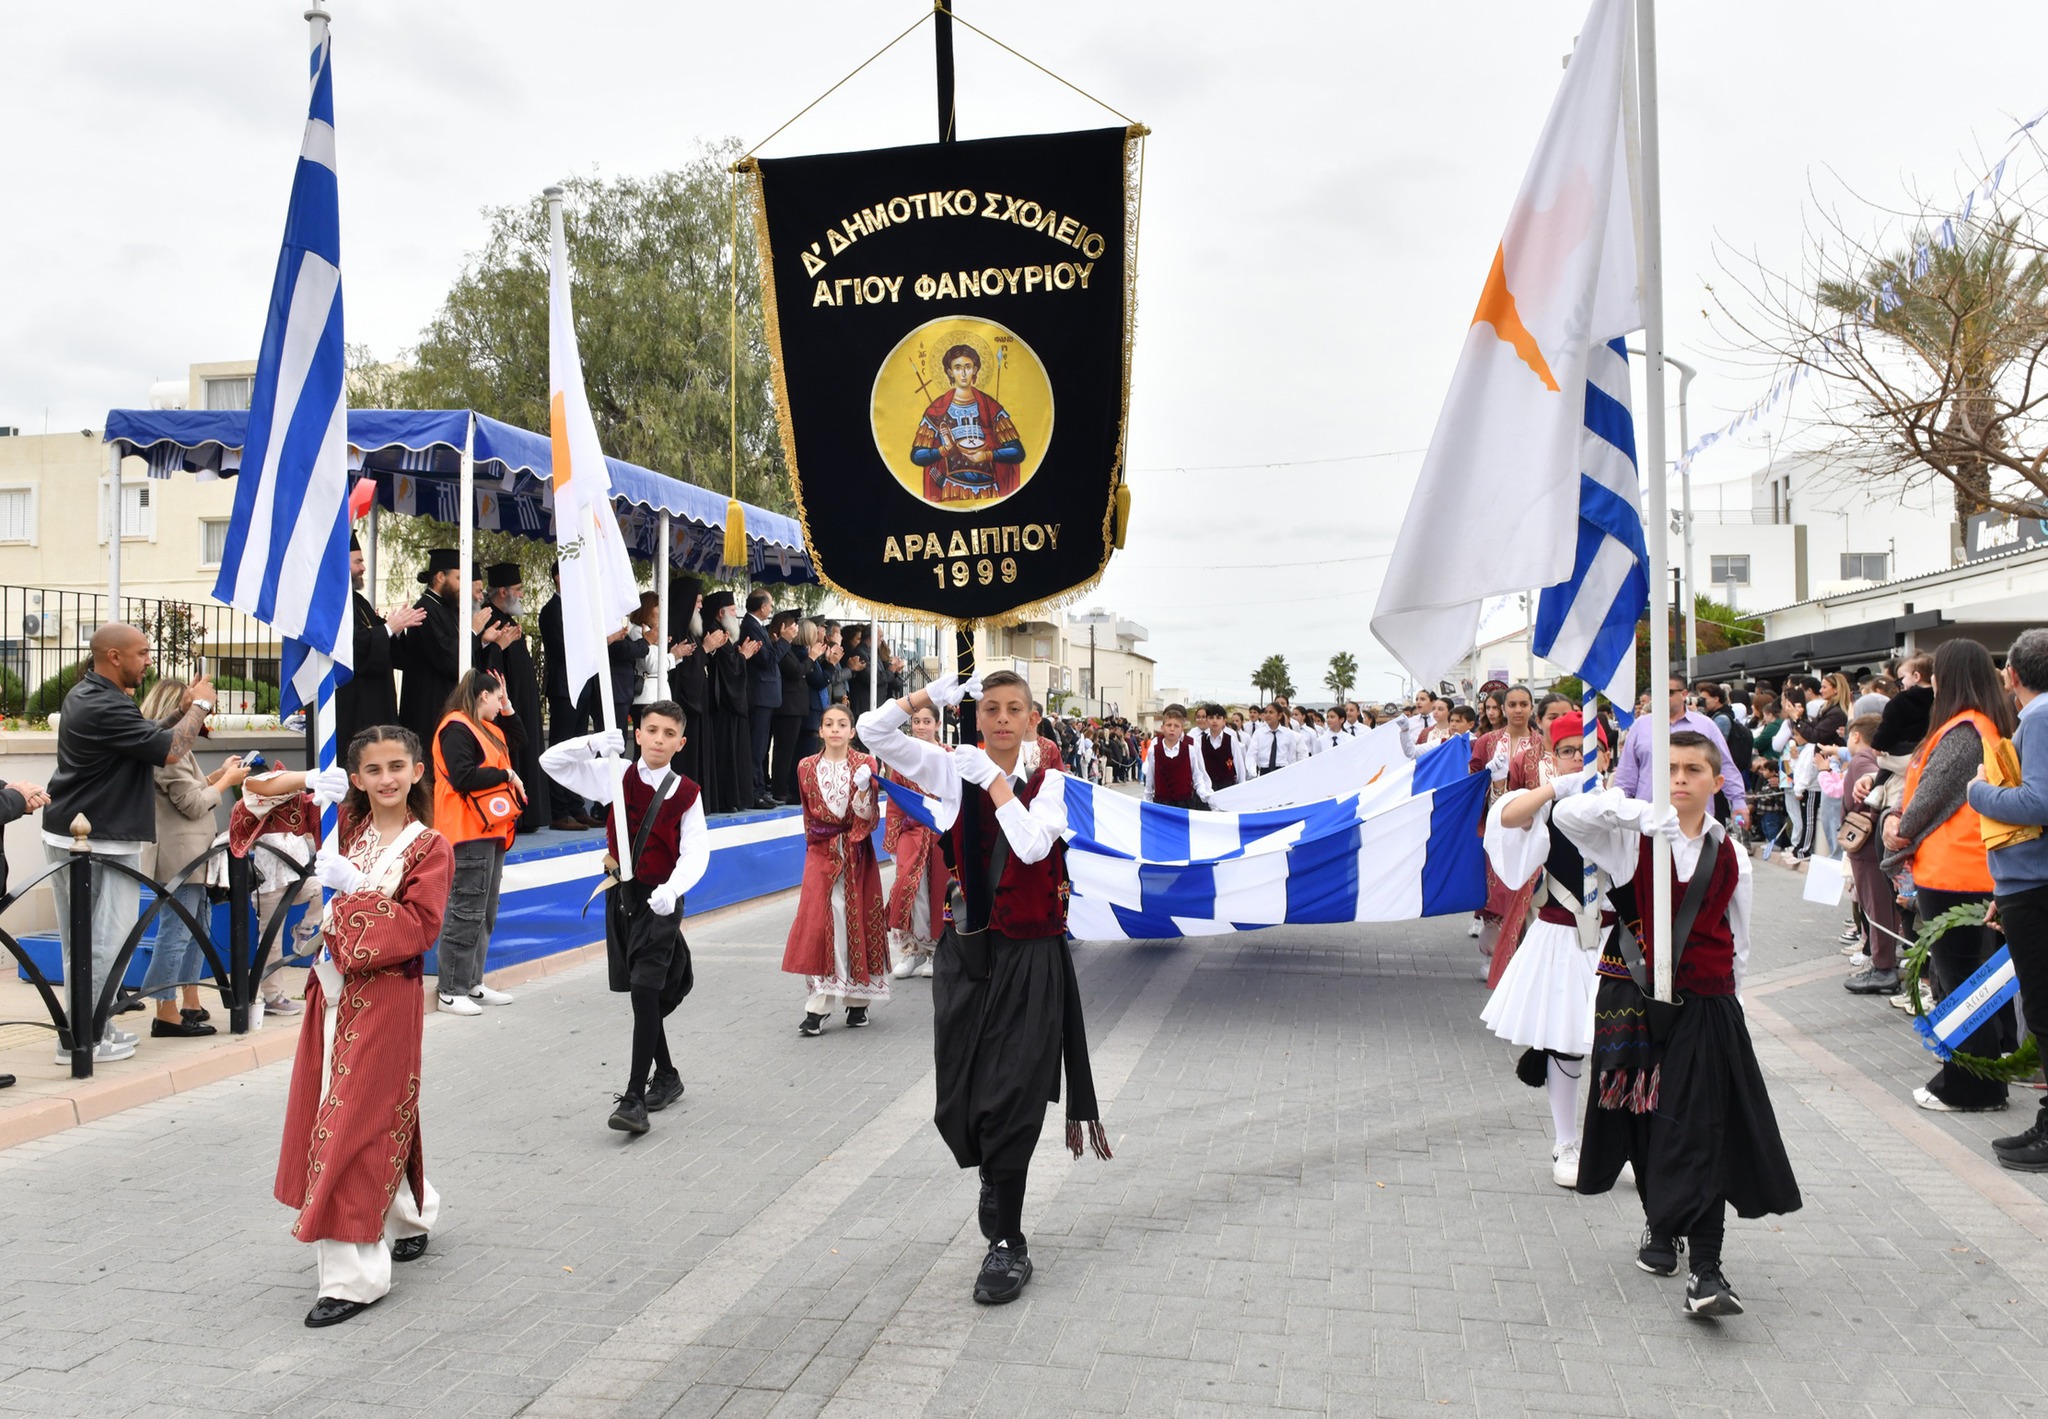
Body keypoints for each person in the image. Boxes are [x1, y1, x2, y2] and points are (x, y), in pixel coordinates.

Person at [859, 670, 1108, 1306]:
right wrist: (926, 697)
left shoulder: (1052, 783)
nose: (1000, 718)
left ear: (1031, 720)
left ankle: (1008, 1242)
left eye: (1013, 709)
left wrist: (992, 782)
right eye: (990, 708)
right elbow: (872, 732)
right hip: (969, 958)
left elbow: (1030, 847)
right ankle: (994, 1176)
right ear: (976, 718)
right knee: (966, 1095)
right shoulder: (952, 770)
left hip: (1031, 959)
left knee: (1013, 1096)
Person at [1556, 731, 1801, 1318]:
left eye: (1694, 769)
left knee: (1703, 1125)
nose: (1682, 778)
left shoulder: (1733, 852)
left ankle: (1707, 1270)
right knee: (1647, 1120)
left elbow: (1740, 937)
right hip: (1637, 999)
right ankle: (1661, 1225)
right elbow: (1567, 816)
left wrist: (1730, 1007)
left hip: (1708, 1005)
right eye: (1671, 769)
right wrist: (1638, 812)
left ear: (1717, 781)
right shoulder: (1631, 839)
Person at [276, 726, 453, 1329]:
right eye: (372, 770)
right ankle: (411, 1211)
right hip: (329, 996)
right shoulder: (342, 827)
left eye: (396, 766)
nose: (386, 779)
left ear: (417, 770)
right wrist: (306, 781)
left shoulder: (430, 847)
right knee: (372, 1107)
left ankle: (353, 1278)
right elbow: (252, 807)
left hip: (385, 997)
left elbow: (418, 929)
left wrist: (355, 890)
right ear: (356, 778)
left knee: (349, 1123)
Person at [43, 623, 214, 1063]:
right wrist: (199, 707)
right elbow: (171, 750)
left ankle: (91, 1028)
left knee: (87, 943)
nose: (149, 661)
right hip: (96, 841)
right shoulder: (103, 704)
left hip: (87, 834)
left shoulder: (95, 695)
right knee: (103, 942)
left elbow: (148, 738)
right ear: (114, 656)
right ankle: (84, 1041)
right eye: (142, 653)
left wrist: (180, 712)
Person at [540, 703, 709, 1136]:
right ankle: (666, 1075)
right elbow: (551, 762)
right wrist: (592, 743)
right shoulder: (613, 775)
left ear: (680, 743)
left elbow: (696, 852)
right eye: (651, 730)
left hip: (661, 901)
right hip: (621, 899)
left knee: (647, 988)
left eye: (668, 733)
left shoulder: (687, 792)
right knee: (641, 992)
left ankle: (634, 1098)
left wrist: (672, 890)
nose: (658, 739)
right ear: (638, 734)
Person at [1880, 638, 2017, 1113]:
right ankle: (1981, 1080)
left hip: (1955, 873)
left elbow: (1928, 798)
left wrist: (1897, 830)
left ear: (1950, 677)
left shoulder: (1964, 731)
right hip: (1969, 870)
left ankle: (1970, 1087)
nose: (1932, 680)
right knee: (1972, 983)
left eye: (1937, 672)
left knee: (1961, 985)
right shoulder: (1983, 725)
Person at [1481, 713, 1612, 1189]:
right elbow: (1507, 817)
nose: (1579, 758)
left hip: (1618, 939)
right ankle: (1566, 1142)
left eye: (1588, 750)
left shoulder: (1623, 800)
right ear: (1554, 758)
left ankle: (1618, 1144)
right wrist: (1557, 787)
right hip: (1563, 935)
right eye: (1568, 751)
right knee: (1565, 1040)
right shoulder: (1547, 803)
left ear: (1606, 755)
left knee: (1620, 1047)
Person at [1963, 627, 2048, 1170]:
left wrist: (1978, 790)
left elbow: (2038, 802)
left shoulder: (2039, 716)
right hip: (2027, 883)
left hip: (2036, 886)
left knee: (2043, 1011)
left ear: (2012, 675)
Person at [138, 679, 250, 1039]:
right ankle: (165, 1011)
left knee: (195, 929)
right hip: (179, 858)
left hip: (191, 855)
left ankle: (187, 1002)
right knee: (177, 933)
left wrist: (219, 775)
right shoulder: (166, 751)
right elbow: (192, 804)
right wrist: (226, 782)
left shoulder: (174, 748)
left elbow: (190, 790)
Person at [783, 703, 889, 1035]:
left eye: (842, 724)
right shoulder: (805, 766)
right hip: (821, 852)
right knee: (819, 923)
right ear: (820, 730)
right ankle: (818, 1006)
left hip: (856, 851)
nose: (835, 729)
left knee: (856, 918)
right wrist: (815, 847)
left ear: (852, 731)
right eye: (829, 723)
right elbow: (808, 812)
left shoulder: (866, 763)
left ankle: (858, 1003)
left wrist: (864, 789)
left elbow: (868, 815)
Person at [431, 670, 523, 1016]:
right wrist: (506, 775)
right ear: (483, 695)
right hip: (466, 829)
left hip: (490, 828)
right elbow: (463, 776)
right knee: (466, 909)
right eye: (499, 698)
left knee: (485, 911)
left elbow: (520, 740)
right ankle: (450, 989)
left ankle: (472, 982)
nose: (501, 705)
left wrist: (509, 707)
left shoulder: (486, 728)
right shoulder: (456, 727)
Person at [392, 549, 510, 781]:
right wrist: (473, 632)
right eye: (459, 578)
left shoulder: (446, 608)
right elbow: (449, 660)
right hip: (430, 707)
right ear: (440, 577)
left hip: (446, 703)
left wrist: (482, 640)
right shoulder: (425, 610)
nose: (463, 587)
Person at [1469, 685, 1548, 975]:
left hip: (1531, 829)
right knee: (1495, 892)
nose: (1517, 709)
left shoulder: (1542, 743)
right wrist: (1490, 780)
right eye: (1512, 704)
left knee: (1526, 893)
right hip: (1494, 829)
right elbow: (1471, 781)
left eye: (1523, 704)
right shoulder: (1487, 742)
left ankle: (1523, 959)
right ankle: (1494, 957)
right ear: (1503, 709)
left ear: (1531, 707)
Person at [1615, 674, 1748, 827]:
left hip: (1695, 820)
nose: (1662, 697)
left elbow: (1724, 765)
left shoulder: (1705, 726)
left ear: (1684, 694)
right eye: (1657, 692)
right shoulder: (1640, 726)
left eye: (1669, 692)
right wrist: (1620, 808)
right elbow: (1627, 773)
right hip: (1650, 820)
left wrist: (1738, 801)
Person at [336, 532, 425, 753]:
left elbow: (381, 637)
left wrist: (396, 630)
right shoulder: (334, 602)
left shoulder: (358, 601)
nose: (363, 568)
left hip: (377, 701)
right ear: (340, 562)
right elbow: (354, 645)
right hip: (354, 705)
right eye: (358, 561)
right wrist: (388, 628)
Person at [480, 563, 551, 834]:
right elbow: (487, 664)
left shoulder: (507, 619)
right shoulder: (490, 620)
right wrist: (499, 646)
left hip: (522, 700)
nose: (521, 595)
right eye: (518, 590)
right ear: (503, 591)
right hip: (506, 702)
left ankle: (529, 814)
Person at [911, 342, 1027, 503]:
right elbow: (917, 456)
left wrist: (986, 455)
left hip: (989, 492)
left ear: (975, 369)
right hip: (951, 489)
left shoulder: (990, 407)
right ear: (950, 372)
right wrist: (944, 449)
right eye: (958, 368)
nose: (964, 373)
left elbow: (1017, 452)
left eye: (968, 366)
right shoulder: (937, 410)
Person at [885, 703, 950, 980]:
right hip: (911, 836)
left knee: (939, 892)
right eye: (916, 721)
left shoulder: (949, 757)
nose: (921, 726)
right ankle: (913, 950)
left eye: (926, 721)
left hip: (942, 836)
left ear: (937, 724)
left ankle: (937, 951)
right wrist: (893, 841)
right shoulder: (903, 760)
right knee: (910, 892)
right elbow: (894, 804)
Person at [1841, 714, 1906, 994]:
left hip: (1867, 846)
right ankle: (1884, 962)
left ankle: (1883, 967)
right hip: (1874, 844)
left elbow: (1874, 784)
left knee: (1876, 908)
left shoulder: (1863, 759)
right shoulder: (1878, 759)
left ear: (1856, 735)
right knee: (1883, 907)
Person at [698, 590, 758, 814]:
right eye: (733, 611)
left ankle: (733, 797)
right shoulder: (714, 631)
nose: (736, 615)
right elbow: (729, 667)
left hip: (727, 702)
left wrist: (740, 655)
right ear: (721, 613)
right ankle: (726, 798)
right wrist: (743, 656)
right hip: (722, 704)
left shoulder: (721, 632)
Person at [742, 589, 784, 808]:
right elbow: (766, 660)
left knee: (761, 747)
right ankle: (754, 791)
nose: (771, 608)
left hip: (765, 696)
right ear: (762, 606)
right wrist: (784, 641)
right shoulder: (751, 626)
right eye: (770, 605)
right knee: (756, 747)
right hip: (759, 694)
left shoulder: (757, 626)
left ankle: (759, 788)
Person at [1140, 704, 1212, 810]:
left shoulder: (1190, 748)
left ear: (1181, 728)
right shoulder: (1154, 750)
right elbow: (1150, 779)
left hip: (1185, 804)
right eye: (1169, 725)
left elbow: (1198, 775)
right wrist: (1147, 801)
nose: (1172, 729)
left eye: (1176, 726)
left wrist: (1204, 793)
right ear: (1162, 728)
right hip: (1161, 804)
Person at [771, 612, 810, 803]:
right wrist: (812, 658)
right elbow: (796, 672)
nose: (795, 630)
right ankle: (779, 790)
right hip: (787, 707)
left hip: (794, 707)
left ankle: (784, 788)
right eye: (792, 626)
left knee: (789, 750)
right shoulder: (780, 647)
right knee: (784, 750)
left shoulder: (788, 648)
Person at [1195, 703, 1244, 792]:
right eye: (1211, 718)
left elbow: (1238, 764)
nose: (1214, 721)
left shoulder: (1231, 740)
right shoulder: (1199, 741)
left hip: (1228, 787)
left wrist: (1241, 786)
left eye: (1218, 718)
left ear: (1224, 721)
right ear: (1207, 720)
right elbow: (1197, 767)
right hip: (1207, 787)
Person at [1245, 702, 1299, 778]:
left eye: (1271, 712)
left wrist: (1292, 773)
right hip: (1265, 771)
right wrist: (1252, 772)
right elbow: (1251, 754)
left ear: (1279, 715)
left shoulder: (1288, 734)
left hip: (1283, 771)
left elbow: (1291, 757)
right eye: (1266, 712)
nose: (1267, 715)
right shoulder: (1259, 733)